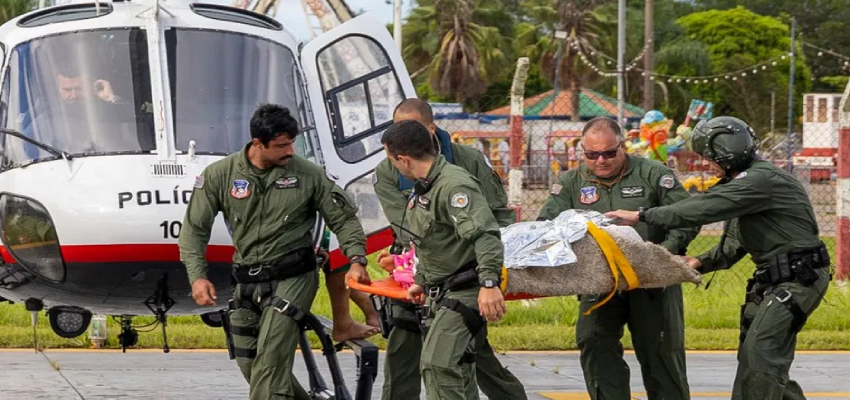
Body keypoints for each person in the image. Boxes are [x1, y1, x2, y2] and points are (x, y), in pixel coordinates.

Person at [605, 116, 832, 400]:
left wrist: (642, 215)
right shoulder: (745, 184)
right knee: (756, 359)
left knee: (761, 356)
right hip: (777, 279)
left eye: (707, 156)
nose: (705, 163)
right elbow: (735, 241)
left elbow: (703, 207)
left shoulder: (760, 180)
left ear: (725, 150)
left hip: (798, 279)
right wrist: (700, 262)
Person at [178, 104, 371, 400]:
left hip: (294, 278)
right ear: (258, 143)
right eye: (282, 145)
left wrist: (357, 259)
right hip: (246, 283)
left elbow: (343, 220)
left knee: (270, 364)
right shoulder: (220, 175)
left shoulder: (308, 175)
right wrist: (197, 277)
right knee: (252, 364)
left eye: (292, 143)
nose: (290, 151)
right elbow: (194, 229)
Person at [537, 116, 698, 400]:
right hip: (599, 283)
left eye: (609, 153)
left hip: (652, 280)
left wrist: (665, 252)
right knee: (593, 341)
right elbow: (546, 226)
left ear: (622, 147)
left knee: (661, 354)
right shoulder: (571, 182)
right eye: (592, 154)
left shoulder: (653, 173)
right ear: (582, 152)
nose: (601, 160)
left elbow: (688, 216)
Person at [373, 99, 525, 400]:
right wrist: (421, 279)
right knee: (428, 360)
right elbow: (422, 237)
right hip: (433, 281)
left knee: (445, 364)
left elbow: (487, 232)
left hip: (465, 283)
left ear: (404, 158)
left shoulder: (455, 181)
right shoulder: (423, 183)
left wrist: (490, 283)